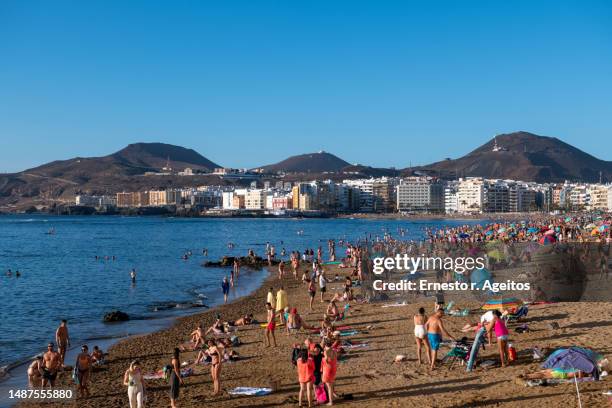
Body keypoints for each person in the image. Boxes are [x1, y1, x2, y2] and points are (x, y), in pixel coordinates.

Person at [322, 341, 338, 405]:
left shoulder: (326, 352)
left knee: (329, 386)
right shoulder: (334, 351)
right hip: (333, 368)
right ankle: (331, 400)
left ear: (325, 346)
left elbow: (326, 360)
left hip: (328, 369)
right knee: (330, 385)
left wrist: (323, 355)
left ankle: (331, 401)